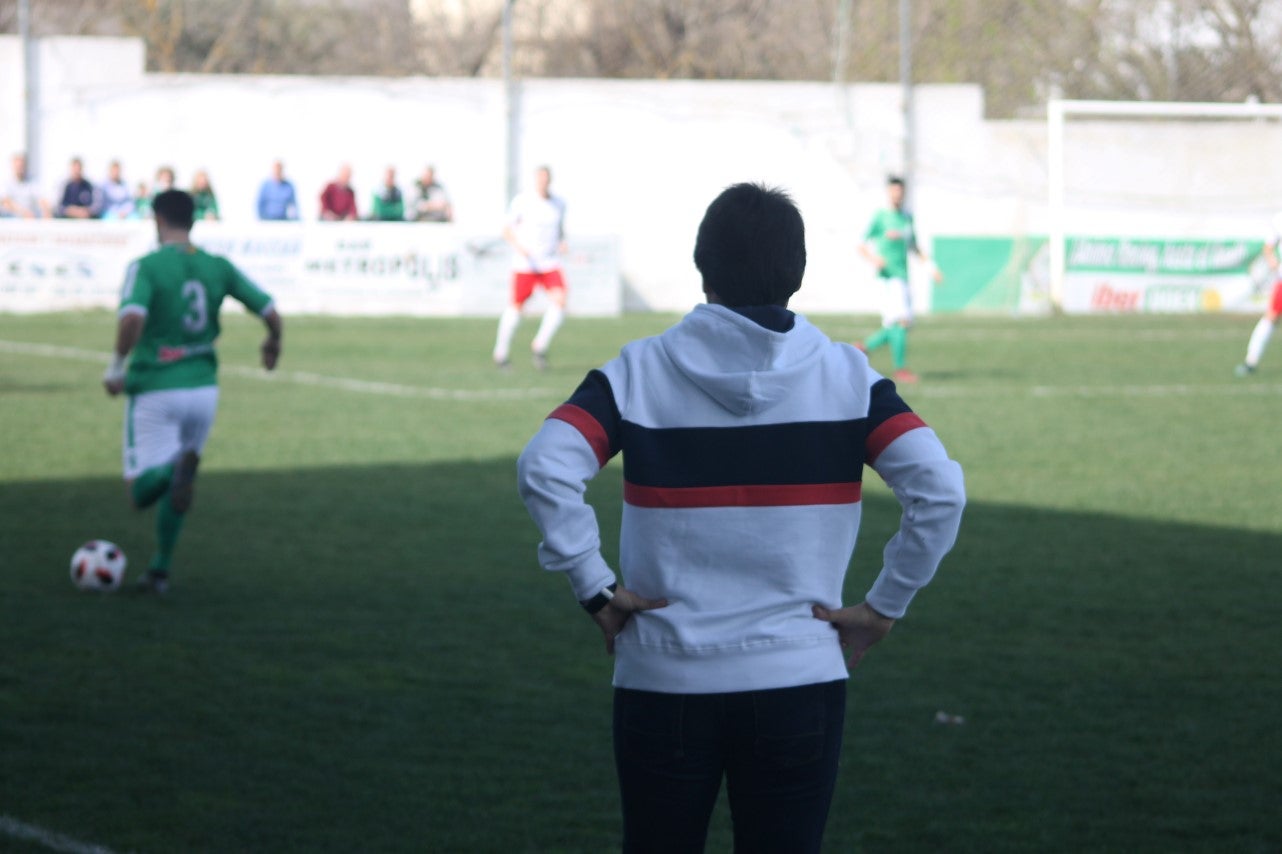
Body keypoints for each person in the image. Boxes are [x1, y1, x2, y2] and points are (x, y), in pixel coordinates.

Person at [516, 182, 966, 852]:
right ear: (799, 272)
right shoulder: (849, 378)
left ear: (703, 266)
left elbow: (545, 465)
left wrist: (595, 588)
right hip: (798, 676)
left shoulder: (636, 370)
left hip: (663, 676)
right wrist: (884, 606)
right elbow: (940, 489)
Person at [102, 189, 283, 594]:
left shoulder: (146, 266)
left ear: (158, 219)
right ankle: (160, 569)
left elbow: (132, 319)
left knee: (141, 492)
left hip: (156, 389)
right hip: (203, 390)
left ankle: (172, 470)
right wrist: (274, 341)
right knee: (179, 485)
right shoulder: (217, 266)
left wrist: (115, 367)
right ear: (193, 220)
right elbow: (270, 309)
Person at [857, 175, 943, 384]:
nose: (897, 195)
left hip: (903, 277)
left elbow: (914, 246)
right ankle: (900, 369)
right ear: (889, 192)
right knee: (901, 321)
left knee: (900, 325)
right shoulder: (881, 216)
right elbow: (861, 244)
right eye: (894, 191)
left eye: (900, 191)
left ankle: (862, 348)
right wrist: (874, 259)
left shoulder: (906, 218)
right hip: (888, 278)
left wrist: (931, 268)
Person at [492, 165, 567, 370]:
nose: (543, 182)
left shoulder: (559, 203)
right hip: (526, 264)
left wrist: (562, 242)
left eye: (546, 178)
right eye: (540, 178)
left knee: (560, 301)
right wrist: (519, 247)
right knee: (517, 307)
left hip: (549, 262)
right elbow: (506, 230)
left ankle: (539, 345)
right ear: (535, 180)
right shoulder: (523, 201)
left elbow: (560, 230)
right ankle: (501, 352)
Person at [1235, 213, 1282, 376]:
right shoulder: (1279, 219)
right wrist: (1273, 262)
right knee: (1271, 317)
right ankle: (1251, 360)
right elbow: (1268, 248)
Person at [0, 152, 49, 219]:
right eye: (18, 166)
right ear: (13, 165)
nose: (20, 168)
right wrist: (23, 212)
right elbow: (5, 202)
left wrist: (46, 213)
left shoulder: (32, 182)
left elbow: (42, 199)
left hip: (29, 221)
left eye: (22, 165)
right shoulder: (6, 182)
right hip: (10, 221)